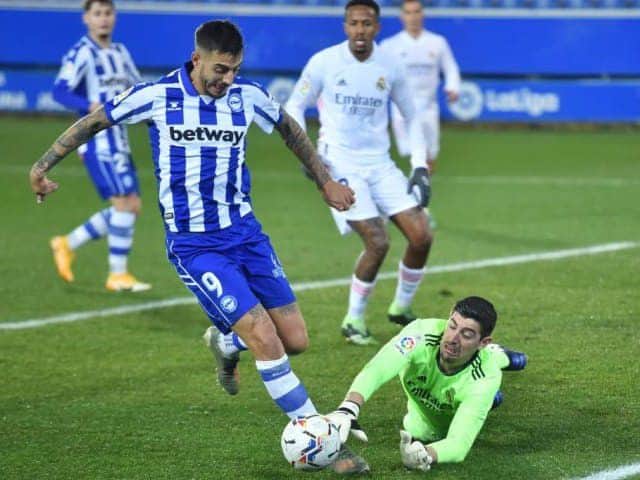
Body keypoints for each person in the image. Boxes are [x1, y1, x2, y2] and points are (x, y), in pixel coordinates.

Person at [30, 19, 368, 474]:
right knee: (266, 339)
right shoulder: (157, 96)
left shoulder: (246, 96)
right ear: (197, 60)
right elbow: (95, 121)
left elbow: (290, 128)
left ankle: (226, 341)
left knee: (296, 340)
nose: (226, 79)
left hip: (247, 234)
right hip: (195, 245)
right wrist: (43, 164)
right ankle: (319, 436)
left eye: (234, 70)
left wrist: (325, 180)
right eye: (220, 69)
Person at [286, 0, 433, 346]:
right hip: (339, 164)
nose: (360, 31)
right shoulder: (324, 62)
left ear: (377, 27)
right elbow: (294, 106)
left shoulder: (391, 65)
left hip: (380, 164)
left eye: (367, 24)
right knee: (377, 241)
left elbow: (413, 116)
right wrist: (312, 161)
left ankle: (401, 308)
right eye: (353, 23)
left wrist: (419, 166)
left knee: (422, 236)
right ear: (345, 26)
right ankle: (354, 319)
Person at [326, 296, 527, 472]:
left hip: (476, 377)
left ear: (483, 341)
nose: (453, 339)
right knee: (419, 431)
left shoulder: (485, 377)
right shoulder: (420, 334)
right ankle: (490, 394)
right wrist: (349, 407)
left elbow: (459, 445)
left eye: (466, 334)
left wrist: (427, 455)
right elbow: (378, 367)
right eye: (452, 325)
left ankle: (499, 355)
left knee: (487, 373)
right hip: (426, 412)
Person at [50, 0, 150, 292]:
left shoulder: (120, 53)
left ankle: (67, 244)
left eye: (108, 13)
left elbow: (137, 87)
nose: (103, 19)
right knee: (123, 204)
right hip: (97, 141)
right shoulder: (82, 53)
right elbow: (59, 91)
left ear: (114, 17)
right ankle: (117, 275)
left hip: (120, 139)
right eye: (97, 14)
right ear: (86, 19)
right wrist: (89, 105)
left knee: (131, 206)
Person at [380, 0, 461, 175]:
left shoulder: (437, 42)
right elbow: (378, 74)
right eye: (408, 12)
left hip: (428, 107)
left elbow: (450, 67)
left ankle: (421, 194)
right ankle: (410, 192)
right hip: (401, 108)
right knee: (412, 153)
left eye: (416, 12)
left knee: (429, 156)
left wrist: (452, 87)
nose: (413, 17)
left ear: (422, 14)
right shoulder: (389, 45)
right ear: (402, 16)